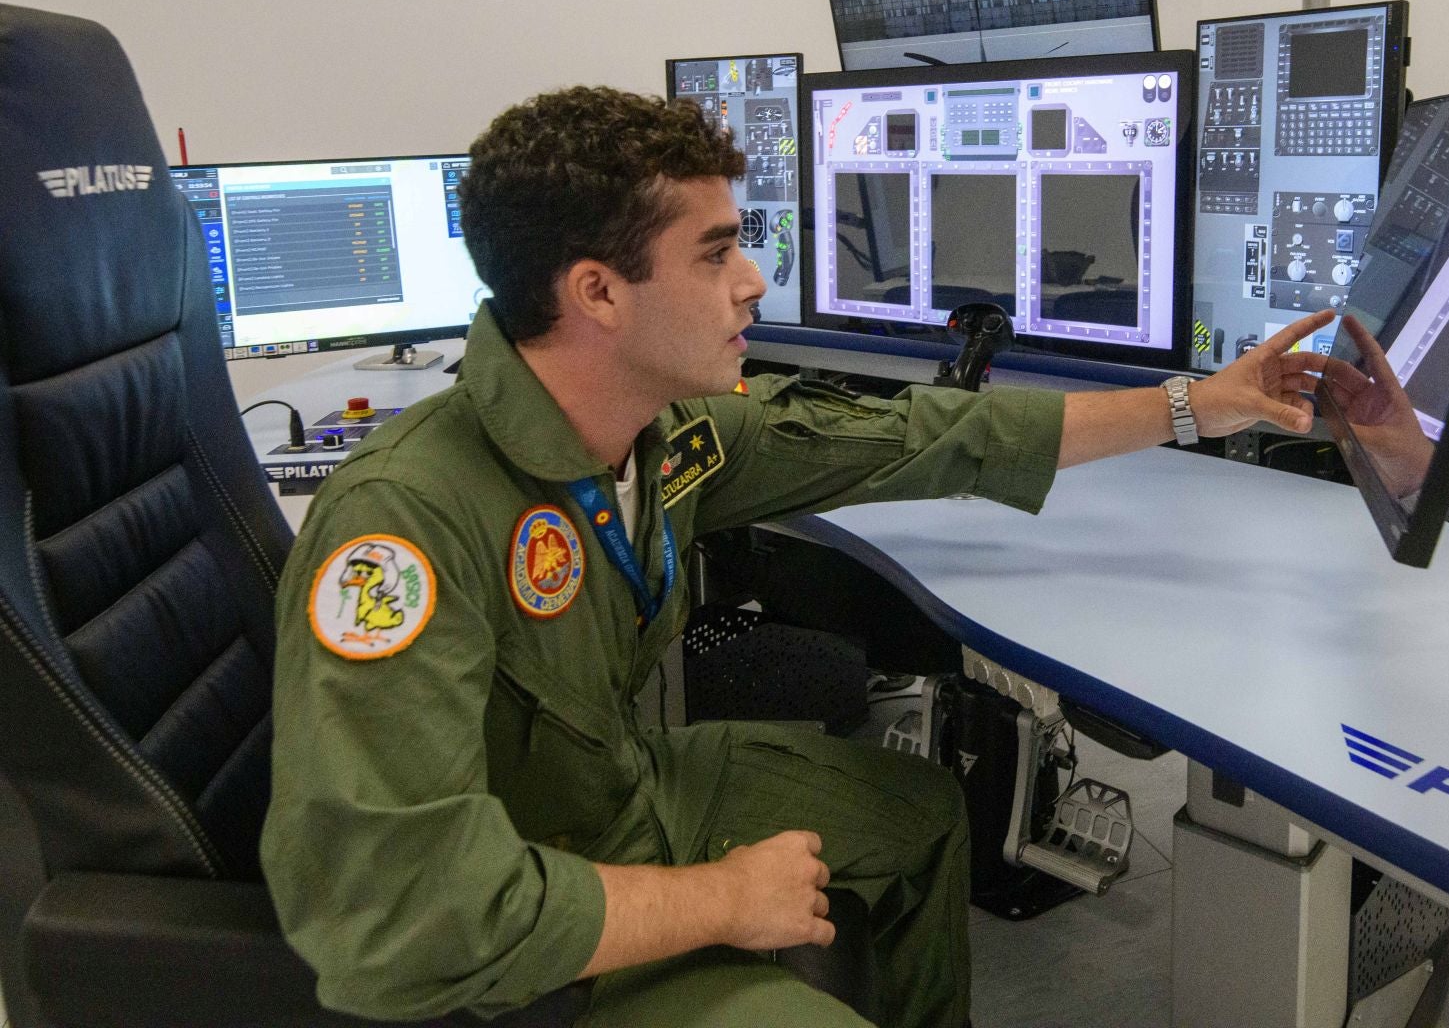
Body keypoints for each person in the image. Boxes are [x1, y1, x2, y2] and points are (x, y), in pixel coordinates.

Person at [261, 86, 1333, 1028]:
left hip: (622, 793)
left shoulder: (664, 432)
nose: (755, 280)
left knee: (921, 815)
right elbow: (395, 918)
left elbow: (936, 433)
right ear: (597, 292)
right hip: (526, 927)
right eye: (717, 250)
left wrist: (1200, 404)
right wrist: (722, 898)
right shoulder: (402, 526)